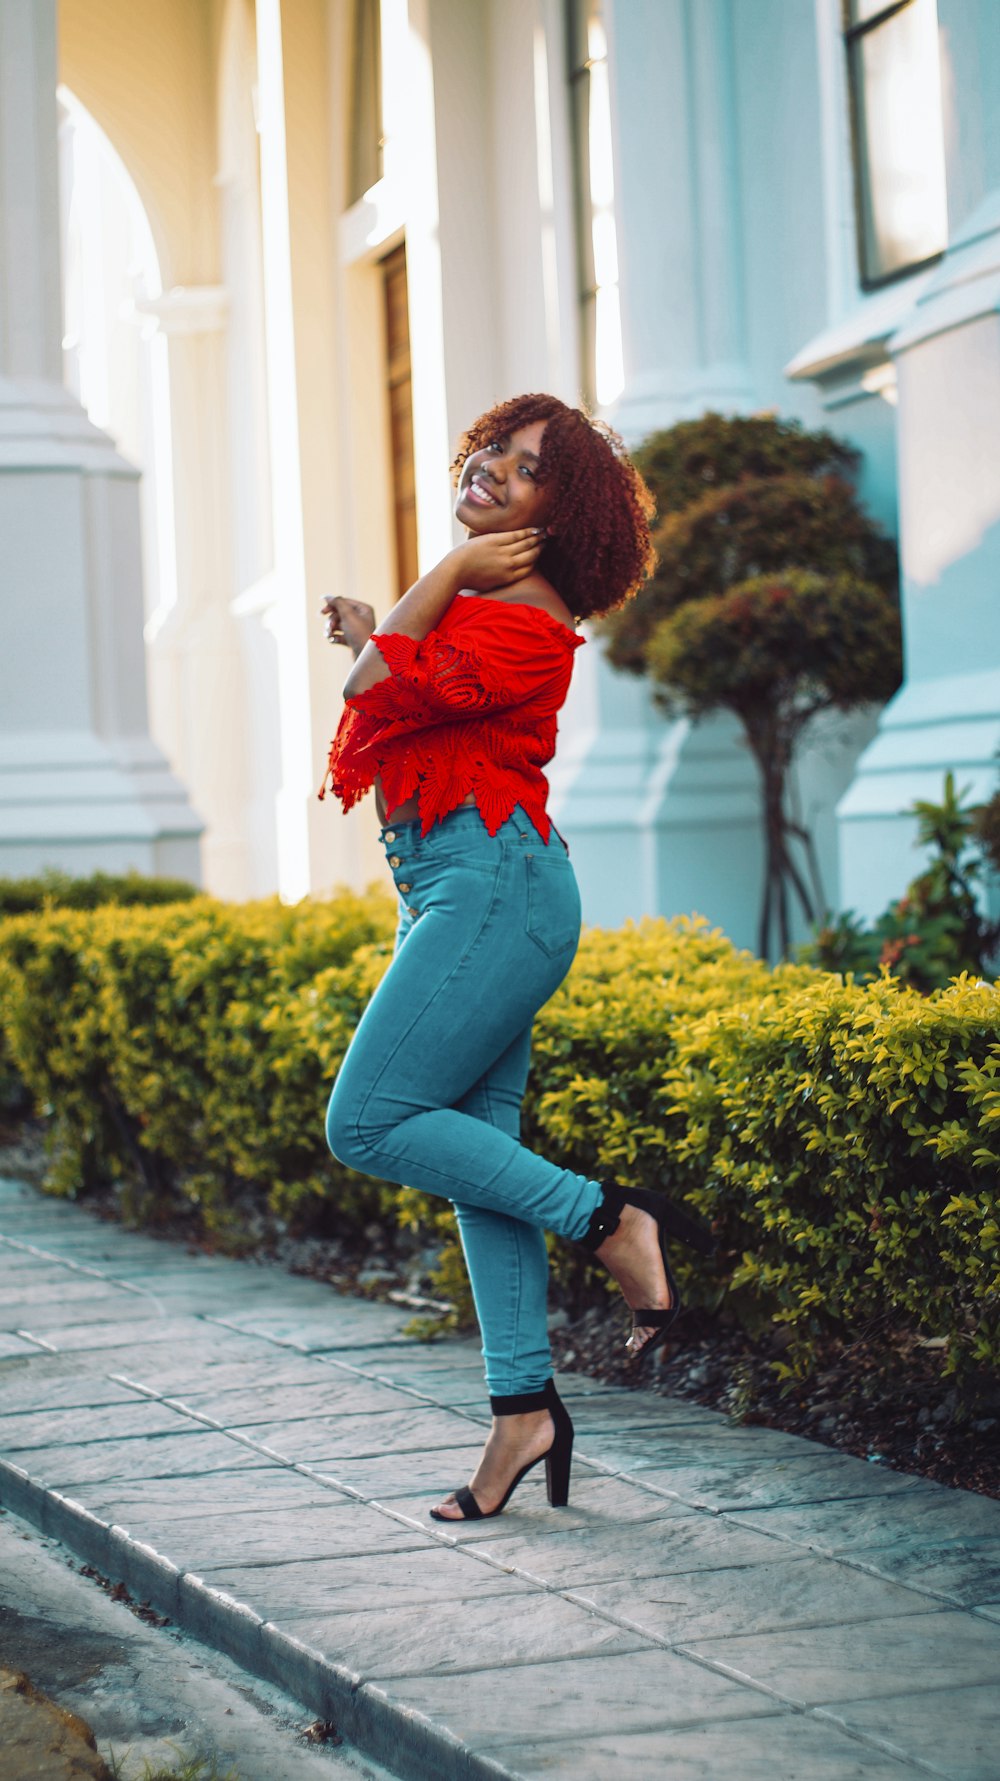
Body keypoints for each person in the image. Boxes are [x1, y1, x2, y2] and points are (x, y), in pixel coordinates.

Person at [318, 392, 712, 1522]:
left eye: (523, 468)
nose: (489, 466)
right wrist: (382, 621)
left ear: (557, 516)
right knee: (476, 1167)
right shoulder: (489, 616)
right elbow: (400, 683)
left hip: (493, 889)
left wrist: (434, 577)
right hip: (466, 883)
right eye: (489, 447)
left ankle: (609, 1219)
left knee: (369, 1118)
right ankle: (521, 1415)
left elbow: (372, 692)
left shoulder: (525, 620)